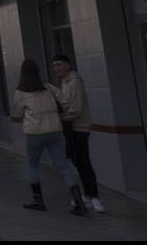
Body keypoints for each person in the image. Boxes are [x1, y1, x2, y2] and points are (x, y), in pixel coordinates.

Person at [13, 59, 87, 215]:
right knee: (63, 166)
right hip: (55, 131)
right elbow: (66, 102)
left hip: (34, 132)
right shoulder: (48, 87)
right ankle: (78, 201)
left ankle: (38, 199)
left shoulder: (21, 92)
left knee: (32, 165)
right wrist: (59, 115)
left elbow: (19, 111)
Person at [51, 54, 104, 213]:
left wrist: (61, 117)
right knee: (78, 161)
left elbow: (77, 108)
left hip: (79, 127)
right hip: (71, 127)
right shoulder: (64, 82)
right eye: (54, 66)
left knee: (83, 161)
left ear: (68, 65)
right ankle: (88, 194)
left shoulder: (75, 83)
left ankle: (93, 196)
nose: (57, 69)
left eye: (59, 65)